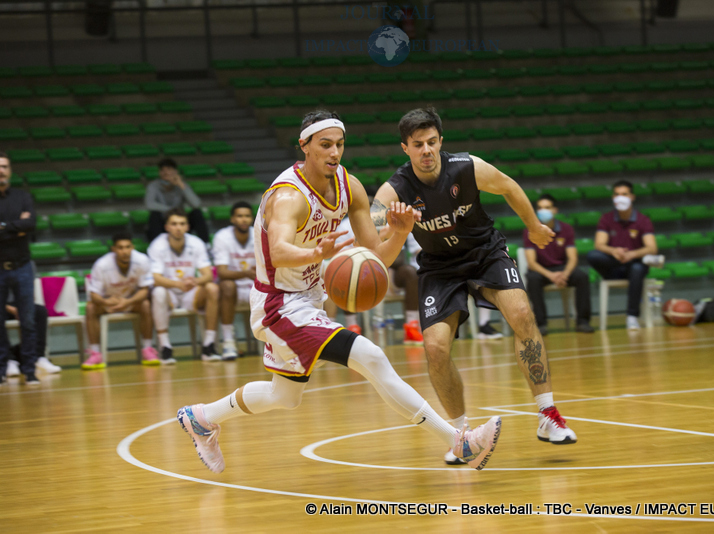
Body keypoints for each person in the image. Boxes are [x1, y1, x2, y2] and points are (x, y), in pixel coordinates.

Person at [177, 110, 502, 473]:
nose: (334, 153)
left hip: (309, 299)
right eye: (325, 145)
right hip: (279, 304)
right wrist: (316, 253)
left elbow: (376, 257)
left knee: (283, 396)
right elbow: (278, 251)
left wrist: (399, 231)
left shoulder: (350, 186)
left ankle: (201, 417)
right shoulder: (288, 196)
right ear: (305, 146)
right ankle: (460, 443)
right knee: (372, 356)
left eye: (340, 145)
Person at [371, 107, 577, 466]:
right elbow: (374, 245)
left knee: (522, 314)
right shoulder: (393, 192)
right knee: (435, 348)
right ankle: (461, 436)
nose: (426, 150)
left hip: (485, 253)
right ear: (405, 148)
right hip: (439, 266)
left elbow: (509, 187)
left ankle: (548, 414)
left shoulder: (467, 167)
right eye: (418, 144)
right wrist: (396, 232)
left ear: (441, 142)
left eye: (432, 142)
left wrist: (532, 225)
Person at [586, 180, 662, 330]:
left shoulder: (643, 220)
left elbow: (652, 247)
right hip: (613, 267)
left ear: (632, 197)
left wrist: (632, 254)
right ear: (613, 198)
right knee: (593, 255)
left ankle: (632, 316)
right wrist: (614, 251)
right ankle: (622, 259)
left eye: (624, 194)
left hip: (634, 266)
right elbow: (599, 244)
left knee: (638, 268)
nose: (620, 197)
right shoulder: (606, 218)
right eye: (617, 194)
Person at [148, 208, 221, 363]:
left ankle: (209, 345)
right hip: (170, 292)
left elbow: (208, 275)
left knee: (212, 288)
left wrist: (194, 281)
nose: (178, 227)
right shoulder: (157, 245)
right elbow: (155, 278)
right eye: (174, 224)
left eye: (182, 224)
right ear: (166, 227)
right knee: (158, 292)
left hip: (190, 291)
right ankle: (165, 347)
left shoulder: (196, 243)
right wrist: (178, 284)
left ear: (187, 227)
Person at [83, 232, 158, 369]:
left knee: (146, 305)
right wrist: (106, 302)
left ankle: (147, 349)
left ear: (133, 247)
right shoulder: (101, 265)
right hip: (108, 303)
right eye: (120, 248)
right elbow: (93, 294)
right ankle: (95, 353)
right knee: (90, 308)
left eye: (128, 247)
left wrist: (127, 302)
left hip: (130, 301)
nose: (124, 251)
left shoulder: (142, 260)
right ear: (113, 249)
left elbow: (144, 290)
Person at [524, 194, 594, 336]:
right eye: (540, 208)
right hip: (541, 270)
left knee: (582, 277)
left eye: (547, 207)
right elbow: (531, 262)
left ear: (555, 210)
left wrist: (564, 274)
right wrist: (551, 275)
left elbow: (572, 258)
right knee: (532, 280)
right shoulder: (530, 230)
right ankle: (541, 324)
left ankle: (582, 321)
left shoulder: (566, 229)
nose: (543, 211)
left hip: (562, 269)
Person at [0, 152, 39, 386]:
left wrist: (3, 227)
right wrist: (16, 228)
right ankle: (2, 368)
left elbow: (30, 224)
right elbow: (22, 226)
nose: (1, 171)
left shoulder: (23, 197)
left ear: (10, 170)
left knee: (28, 320)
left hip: (22, 266)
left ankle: (30, 369)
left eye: (4, 166)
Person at [212, 201, 256, 361]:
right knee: (227, 286)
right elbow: (222, 273)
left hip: (255, 286)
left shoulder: (259, 234)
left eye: (247, 216)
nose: (243, 219)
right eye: (239, 216)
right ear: (232, 219)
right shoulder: (222, 237)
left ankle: (276, 342)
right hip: (233, 288)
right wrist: (246, 273)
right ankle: (228, 341)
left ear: (252, 219)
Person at [145, 158, 210, 243]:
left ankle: (206, 244)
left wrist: (181, 185)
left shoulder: (182, 186)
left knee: (197, 213)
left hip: (180, 222)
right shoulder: (153, 186)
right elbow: (149, 204)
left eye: (168, 169)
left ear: (175, 172)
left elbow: (196, 204)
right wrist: (171, 210)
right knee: (154, 215)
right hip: (163, 222)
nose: (165, 173)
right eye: (162, 170)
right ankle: (155, 245)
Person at [4, 303, 62, 377]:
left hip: (18, 302)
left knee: (40, 310)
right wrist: (10, 309)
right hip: (3, 306)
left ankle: (39, 357)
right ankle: (9, 360)